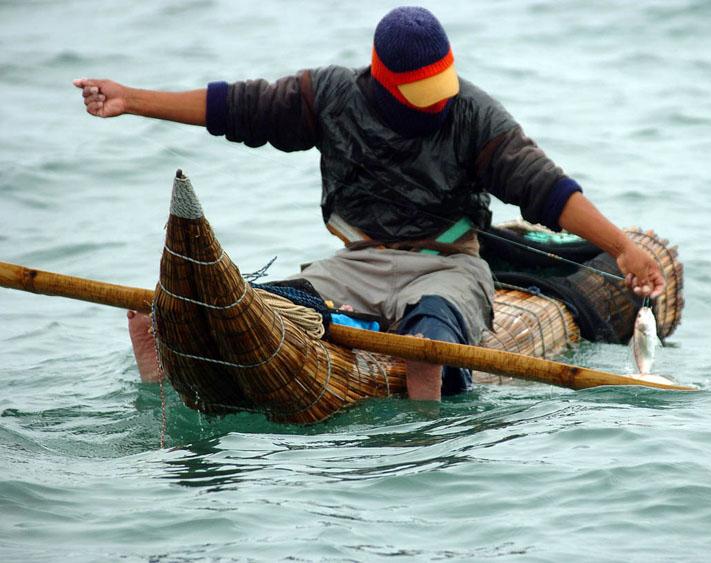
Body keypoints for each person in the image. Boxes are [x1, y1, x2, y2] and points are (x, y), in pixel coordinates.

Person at [74, 6, 664, 400]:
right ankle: (160, 370)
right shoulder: (331, 96)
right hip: (353, 266)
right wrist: (133, 100)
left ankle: (421, 440)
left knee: (427, 332)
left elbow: (546, 187)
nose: (437, 104)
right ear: (383, 78)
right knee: (265, 306)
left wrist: (622, 247)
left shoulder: (472, 112)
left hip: (448, 266)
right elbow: (235, 107)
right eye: (420, 94)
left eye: (442, 89)